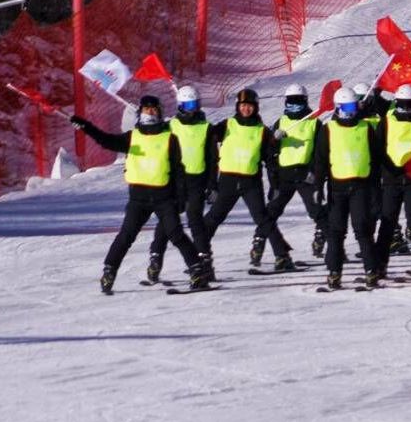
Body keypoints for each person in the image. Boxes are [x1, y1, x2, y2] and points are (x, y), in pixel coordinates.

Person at [72, 95, 209, 293]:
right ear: (141, 113)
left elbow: (179, 170)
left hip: (164, 197)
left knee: (176, 234)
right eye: (147, 109)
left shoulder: (169, 138)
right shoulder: (132, 137)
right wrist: (86, 127)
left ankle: (197, 271)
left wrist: (181, 197)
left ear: (160, 112)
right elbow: (106, 141)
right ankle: (109, 270)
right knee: (126, 236)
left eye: (154, 109)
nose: (150, 112)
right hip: (139, 198)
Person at [203, 87, 297, 273]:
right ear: (238, 106)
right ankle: (199, 256)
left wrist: (274, 183)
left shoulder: (262, 131)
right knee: (213, 218)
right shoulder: (228, 125)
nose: (246, 109)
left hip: (250, 182)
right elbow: (207, 138)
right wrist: (210, 184)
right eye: (243, 106)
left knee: (263, 219)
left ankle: (282, 256)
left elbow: (270, 159)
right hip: (228, 180)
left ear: (256, 107)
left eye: (250, 106)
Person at [140, 85, 216, 283]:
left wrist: (212, 185)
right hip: (173, 181)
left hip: (196, 180)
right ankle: (156, 258)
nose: (193, 109)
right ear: (181, 106)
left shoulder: (205, 127)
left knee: (195, 219)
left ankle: (204, 261)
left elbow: (212, 157)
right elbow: (153, 141)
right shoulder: (170, 125)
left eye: (195, 104)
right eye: (188, 105)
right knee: (168, 222)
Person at [313, 84, 386, 290]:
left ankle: (371, 271)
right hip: (337, 188)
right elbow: (320, 161)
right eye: (346, 108)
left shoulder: (365, 128)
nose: (351, 112)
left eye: (353, 107)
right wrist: (318, 186)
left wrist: (376, 190)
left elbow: (376, 158)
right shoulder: (329, 129)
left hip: (361, 187)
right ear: (338, 108)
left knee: (363, 230)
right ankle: (334, 272)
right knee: (336, 231)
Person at [373, 83, 411, 273]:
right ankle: (380, 263)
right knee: (388, 221)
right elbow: (378, 146)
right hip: (392, 177)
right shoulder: (388, 119)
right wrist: (384, 169)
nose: (407, 109)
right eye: (403, 105)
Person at [264, 83, 328, 260]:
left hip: (304, 175)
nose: (294, 104)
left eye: (298, 101)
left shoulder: (314, 123)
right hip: (284, 176)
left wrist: (314, 173)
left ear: (305, 101)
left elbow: (321, 152)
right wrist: (274, 140)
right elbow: (269, 153)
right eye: (291, 101)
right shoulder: (281, 122)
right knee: (270, 212)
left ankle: (334, 246)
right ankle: (262, 244)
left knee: (316, 211)